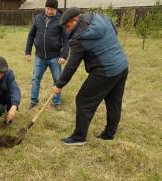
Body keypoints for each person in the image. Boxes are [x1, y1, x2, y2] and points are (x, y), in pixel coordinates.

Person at [53, 7, 129, 145]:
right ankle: (109, 134)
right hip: (122, 66)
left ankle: (78, 138)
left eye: (68, 26)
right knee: (114, 102)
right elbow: (115, 31)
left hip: (105, 71)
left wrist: (59, 85)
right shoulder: (99, 17)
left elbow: (71, 66)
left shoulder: (79, 38)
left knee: (83, 100)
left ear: (75, 20)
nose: (67, 29)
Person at [25, 0, 69, 111]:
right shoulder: (38, 18)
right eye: (47, 8)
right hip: (40, 56)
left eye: (51, 9)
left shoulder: (61, 20)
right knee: (35, 79)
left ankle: (56, 102)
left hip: (55, 57)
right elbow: (31, 36)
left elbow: (66, 39)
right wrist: (28, 52)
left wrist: (64, 55)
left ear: (56, 9)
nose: (49, 11)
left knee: (57, 80)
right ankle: (33, 101)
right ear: (45, 8)